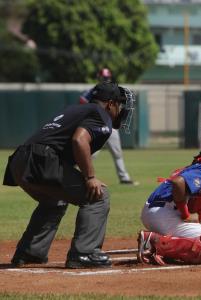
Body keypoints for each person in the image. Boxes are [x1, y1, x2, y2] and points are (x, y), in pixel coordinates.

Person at [3, 81, 135, 269]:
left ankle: (29, 253)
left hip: (19, 161)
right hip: (41, 160)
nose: (121, 109)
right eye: (120, 104)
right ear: (110, 103)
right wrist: (90, 178)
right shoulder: (101, 114)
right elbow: (79, 140)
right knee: (99, 196)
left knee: (54, 200)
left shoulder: (76, 109)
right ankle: (84, 253)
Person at [137, 131, 201, 265]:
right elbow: (178, 183)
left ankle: (163, 244)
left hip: (158, 211)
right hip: (165, 215)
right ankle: (153, 243)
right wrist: (186, 215)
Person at [80, 68, 138, 185]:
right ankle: (82, 176)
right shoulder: (94, 90)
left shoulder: (112, 90)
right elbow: (82, 101)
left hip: (110, 125)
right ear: (99, 77)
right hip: (96, 125)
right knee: (90, 153)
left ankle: (124, 178)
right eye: (104, 77)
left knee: (117, 153)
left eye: (107, 77)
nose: (106, 79)